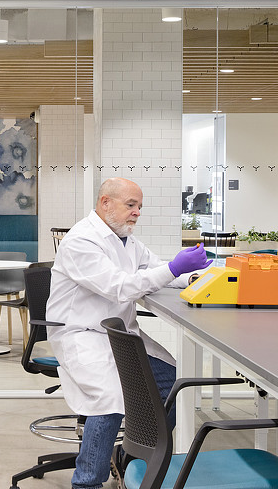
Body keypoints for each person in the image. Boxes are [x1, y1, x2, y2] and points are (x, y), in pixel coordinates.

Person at [47, 178, 210, 489]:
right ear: (106, 202)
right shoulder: (82, 241)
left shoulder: (127, 241)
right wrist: (174, 268)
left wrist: (198, 274)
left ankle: (129, 458)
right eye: (130, 205)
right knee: (109, 399)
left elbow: (156, 271)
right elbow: (119, 287)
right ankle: (87, 482)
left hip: (119, 335)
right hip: (82, 334)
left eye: (139, 207)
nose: (136, 213)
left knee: (176, 386)